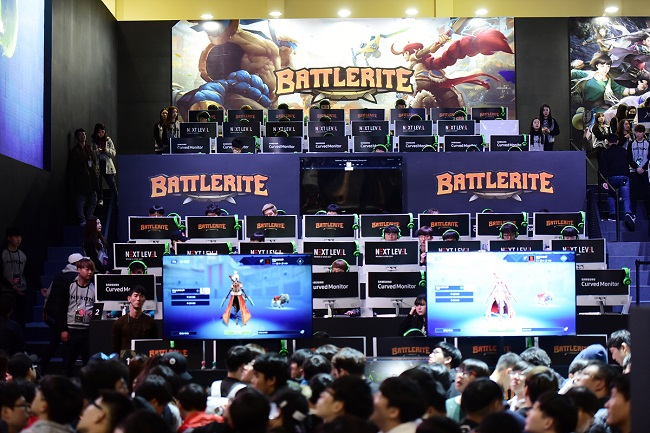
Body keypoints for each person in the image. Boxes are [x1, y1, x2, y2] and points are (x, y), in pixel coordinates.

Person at [58, 257, 96, 377]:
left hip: (87, 331)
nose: (90, 272)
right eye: (87, 269)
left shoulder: (95, 289)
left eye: (91, 270)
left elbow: (99, 309)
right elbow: (62, 309)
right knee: (67, 364)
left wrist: (94, 313)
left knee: (88, 365)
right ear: (78, 270)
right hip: (71, 330)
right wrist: (63, 329)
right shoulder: (69, 286)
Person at [111, 286, 158, 355]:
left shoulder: (151, 323)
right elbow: (115, 349)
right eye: (135, 296)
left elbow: (154, 347)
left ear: (144, 299)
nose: (138, 299)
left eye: (141, 296)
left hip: (144, 358)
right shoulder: (119, 323)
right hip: (125, 359)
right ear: (129, 298)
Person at [600, 134, 634, 226]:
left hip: (611, 177)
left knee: (611, 196)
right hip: (624, 176)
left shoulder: (605, 153)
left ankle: (613, 215)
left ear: (608, 142)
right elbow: (630, 162)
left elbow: (603, 168)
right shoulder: (623, 151)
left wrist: (604, 181)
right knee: (626, 197)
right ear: (617, 141)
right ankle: (628, 213)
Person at [1, 227, 30, 326]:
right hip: (6, 292)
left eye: (20, 237)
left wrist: (40, 287)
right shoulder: (3, 254)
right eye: (16, 237)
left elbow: (29, 271)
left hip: (20, 290)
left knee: (21, 319)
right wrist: (11, 286)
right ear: (9, 238)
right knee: (6, 319)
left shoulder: (22, 254)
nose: (19, 239)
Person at [69, 128, 98, 225]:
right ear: (77, 137)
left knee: (93, 198)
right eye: (81, 135)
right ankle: (82, 220)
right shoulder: (75, 151)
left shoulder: (89, 149)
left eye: (84, 134)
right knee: (81, 199)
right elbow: (75, 165)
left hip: (91, 178)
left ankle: (89, 217)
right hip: (81, 179)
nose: (83, 136)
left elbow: (93, 162)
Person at [91, 123, 118, 207]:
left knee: (112, 183)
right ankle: (100, 199)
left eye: (102, 132)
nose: (101, 134)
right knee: (98, 183)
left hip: (107, 164)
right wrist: (97, 151)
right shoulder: (93, 141)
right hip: (98, 164)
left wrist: (106, 150)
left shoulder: (108, 140)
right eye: (99, 132)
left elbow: (114, 153)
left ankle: (116, 200)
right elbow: (91, 153)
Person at [627, 123, 650, 222]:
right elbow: (629, 158)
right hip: (634, 171)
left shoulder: (648, 144)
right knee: (633, 193)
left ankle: (648, 214)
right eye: (636, 132)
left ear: (644, 133)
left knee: (647, 193)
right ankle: (633, 214)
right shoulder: (631, 144)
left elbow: (649, 158)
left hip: (645, 171)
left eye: (640, 132)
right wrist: (636, 167)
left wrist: (643, 168)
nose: (638, 134)